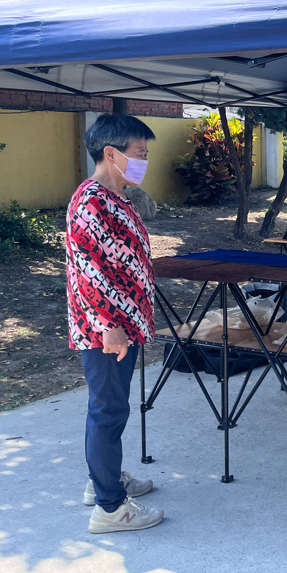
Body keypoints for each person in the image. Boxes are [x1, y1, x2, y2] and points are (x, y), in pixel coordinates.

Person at [66, 114, 164, 532]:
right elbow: (89, 271)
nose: (144, 160)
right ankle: (110, 509)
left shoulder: (115, 198)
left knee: (113, 408)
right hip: (106, 330)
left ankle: (103, 480)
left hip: (122, 325)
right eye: (139, 153)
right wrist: (109, 325)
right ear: (111, 153)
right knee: (107, 410)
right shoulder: (91, 201)